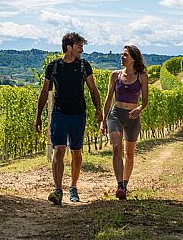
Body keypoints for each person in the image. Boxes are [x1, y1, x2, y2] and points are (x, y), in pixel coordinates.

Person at [35, 32, 102, 205]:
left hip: (78, 114)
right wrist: (38, 117)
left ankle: (73, 186)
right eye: (79, 46)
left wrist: (98, 109)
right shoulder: (54, 67)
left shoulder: (83, 66)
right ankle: (58, 190)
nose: (82, 50)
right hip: (59, 114)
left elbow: (93, 90)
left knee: (77, 152)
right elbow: (44, 92)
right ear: (69, 47)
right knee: (59, 149)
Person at [100, 45, 149, 200]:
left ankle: (125, 185)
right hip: (116, 114)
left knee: (129, 154)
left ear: (133, 58)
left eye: (125, 55)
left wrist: (139, 109)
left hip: (133, 117)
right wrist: (103, 120)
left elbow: (146, 101)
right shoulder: (115, 75)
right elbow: (108, 100)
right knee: (116, 147)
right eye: (121, 55)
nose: (122, 57)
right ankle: (120, 185)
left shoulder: (142, 77)